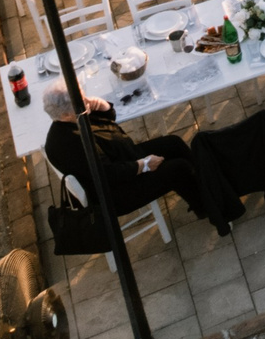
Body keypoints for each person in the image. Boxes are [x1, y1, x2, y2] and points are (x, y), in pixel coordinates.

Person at [42, 86, 227, 233]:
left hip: (125, 158)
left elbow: (108, 123)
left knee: (174, 143)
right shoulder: (71, 143)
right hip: (117, 191)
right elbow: (108, 174)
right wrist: (144, 165)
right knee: (179, 169)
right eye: (82, 101)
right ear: (66, 115)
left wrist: (102, 107)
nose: (87, 102)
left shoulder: (76, 115)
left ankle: (208, 186)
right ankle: (209, 208)